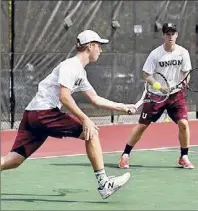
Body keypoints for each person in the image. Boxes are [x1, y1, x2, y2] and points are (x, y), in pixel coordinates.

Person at [1, 30, 137, 199]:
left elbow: (95, 99)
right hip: (44, 112)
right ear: (90, 46)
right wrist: (85, 119)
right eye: (99, 46)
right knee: (91, 132)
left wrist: (123, 107)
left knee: (13, 160)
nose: (101, 50)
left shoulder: (80, 71)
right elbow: (64, 97)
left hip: (32, 114)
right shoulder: (71, 66)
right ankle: (104, 184)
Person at [118, 22, 194, 169]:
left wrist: (183, 84)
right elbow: (146, 74)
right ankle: (125, 155)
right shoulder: (155, 54)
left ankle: (184, 156)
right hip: (156, 96)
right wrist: (160, 87)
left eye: (173, 34)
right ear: (163, 36)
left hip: (176, 95)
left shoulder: (183, 53)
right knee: (142, 126)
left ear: (176, 35)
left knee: (184, 124)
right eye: (167, 34)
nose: (170, 36)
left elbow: (186, 73)